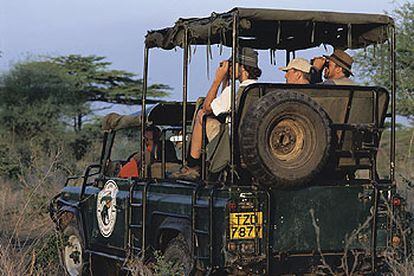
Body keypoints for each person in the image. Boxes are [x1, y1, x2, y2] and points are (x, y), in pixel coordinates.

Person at [172, 48, 262, 179]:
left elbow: (208, 107)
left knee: (202, 115)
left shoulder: (235, 91)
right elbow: (226, 103)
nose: (229, 68)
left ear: (242, 67)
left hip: (231, 140)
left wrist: (217, 80)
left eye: (232, 65)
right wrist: (227, 80)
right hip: (252, 139)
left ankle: (192, 165)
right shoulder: (258, 90)